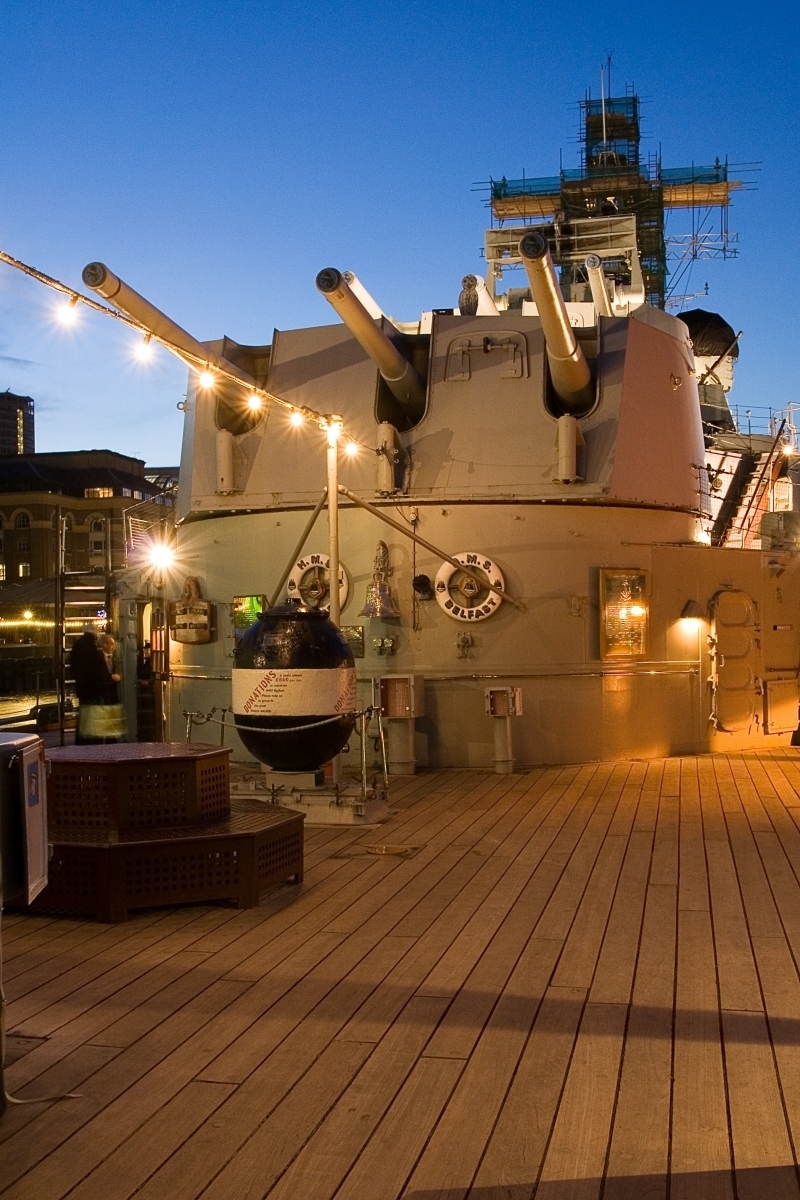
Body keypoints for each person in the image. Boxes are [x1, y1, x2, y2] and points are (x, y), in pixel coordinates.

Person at [68, 626, 111, 744]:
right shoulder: (92, 648)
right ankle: (94, 740)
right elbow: (96, 669)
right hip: (93, 688)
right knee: (95, 715)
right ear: (93, 634)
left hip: (82, 688)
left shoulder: (77, 646)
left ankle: (81, 740)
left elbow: (72, 666)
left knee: (84, 715)